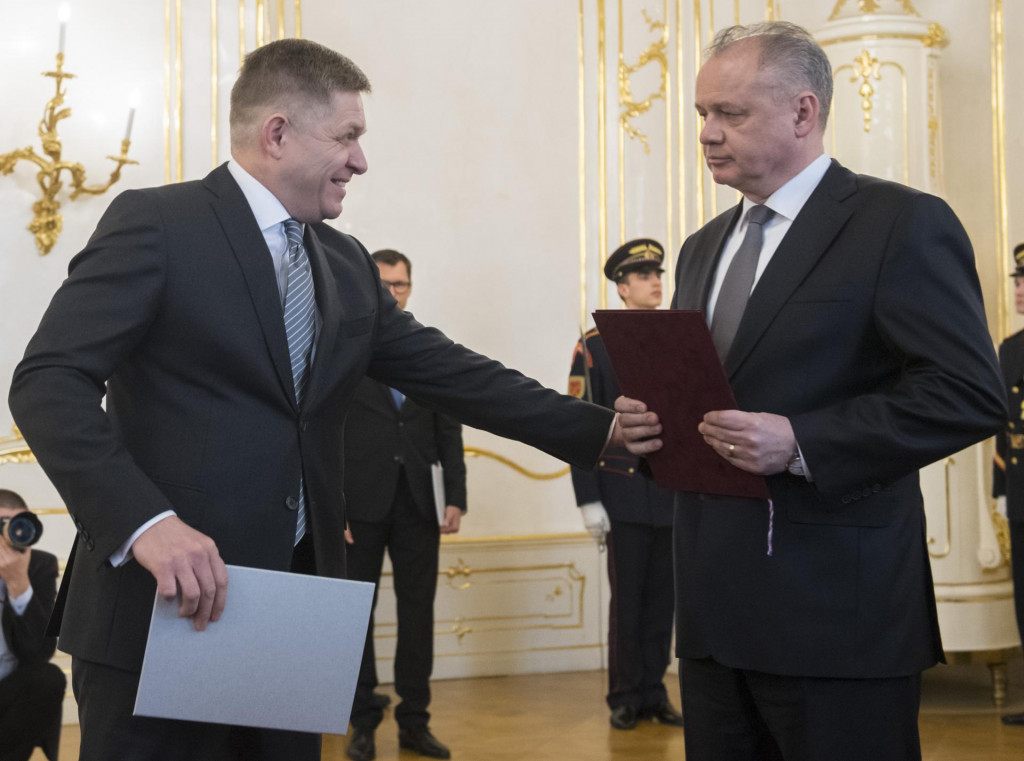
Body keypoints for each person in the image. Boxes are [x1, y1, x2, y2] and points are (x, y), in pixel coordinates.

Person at [8, 39, 619, 761]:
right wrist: (145, 521)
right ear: (277, 133)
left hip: (291, 615)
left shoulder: (346, 263)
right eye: (348, 136)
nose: (360, 160)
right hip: (160, 606)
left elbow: (449, 372)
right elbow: (48, 380)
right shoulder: (159, 224)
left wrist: (601, 433)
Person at [615, 21, 1006, 761]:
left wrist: (803, 442)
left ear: (803, 112)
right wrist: (652, 422)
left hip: (837, 619)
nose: (708, 134)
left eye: (731, 113)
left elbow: (967, 392)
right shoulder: (701, 248)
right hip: (711, 616)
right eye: (702, 113)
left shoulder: (899, 223)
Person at [344, 249, 467, 761]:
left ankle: (416, 721)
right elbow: (323, 431)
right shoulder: (342, 347)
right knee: (355, 616)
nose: (394, 292)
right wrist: (331, 502)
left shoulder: (424, 349)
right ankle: (363, 721)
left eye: (402, 284)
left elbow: (449, 426)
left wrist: (456, 497)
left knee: (419, 615)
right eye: (385, 283)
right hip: (356, 508)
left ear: (410, 289)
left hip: (420, 504)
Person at [568, 239, 681, 731]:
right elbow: (579, 423)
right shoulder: (594, 344)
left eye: (657, 273)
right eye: (643, 275)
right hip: (623, 492)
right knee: (628, 603)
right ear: (622, 287)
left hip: (672, 494)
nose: (655, 281)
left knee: (663, 602)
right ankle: (625, 694)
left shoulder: (680, 337)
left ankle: (655, 690)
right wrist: (589, 499)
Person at [0, 489, 65, 761]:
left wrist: (18, 582)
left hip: (8, 690)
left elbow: (40, 653)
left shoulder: (39, 565)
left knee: (48, 678)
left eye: (17, 525)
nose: (9, 535)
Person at [992, 241, 1024, 728]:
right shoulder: (1012, 348)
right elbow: (1003, 422)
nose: (1019, 289)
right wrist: (1000, 486)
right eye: (1017, 281)